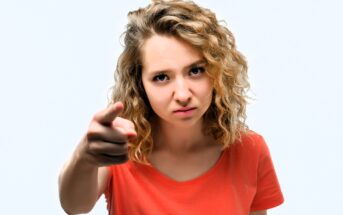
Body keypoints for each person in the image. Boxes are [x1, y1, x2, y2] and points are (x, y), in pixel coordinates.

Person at [58, 0, 284, 214]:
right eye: (162, 77)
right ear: (140, 84)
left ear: (218, 70)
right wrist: (84, 155)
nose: (183, 94)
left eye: (196, 71)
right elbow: (74, 206)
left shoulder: (250, 150)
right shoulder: (120, 147)